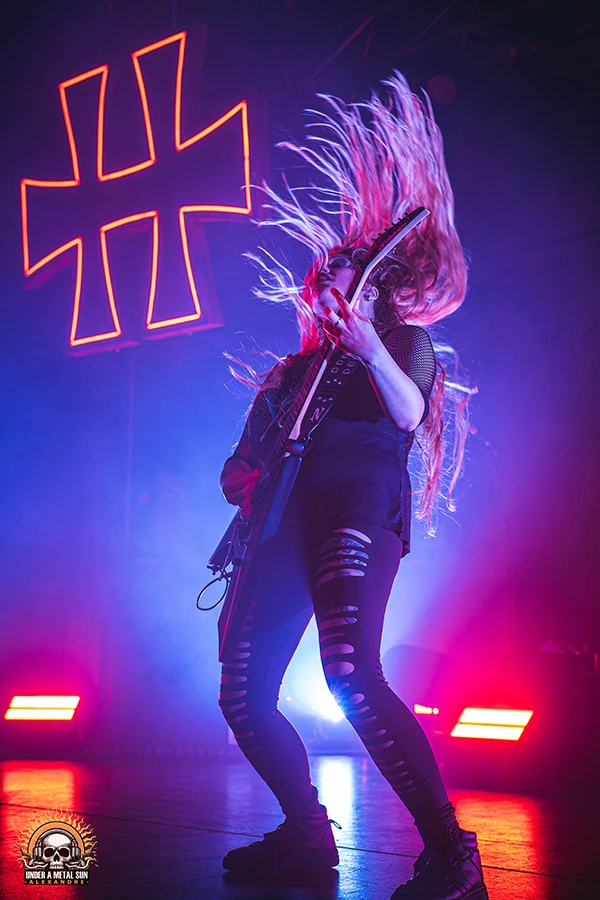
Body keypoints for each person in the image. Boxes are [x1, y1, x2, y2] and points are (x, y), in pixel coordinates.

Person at [216, 73, 486, 900]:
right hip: (281, 523)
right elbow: (236, 469)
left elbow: (407, 416)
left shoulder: (402, 344)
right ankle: (306, 834)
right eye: (323, 282)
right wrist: (241, 475)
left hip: (357, 502)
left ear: (367, 290)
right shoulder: (286, 377)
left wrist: (369, 344)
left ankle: (450, 850)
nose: (329, 289)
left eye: (346, 279)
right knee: (240, 689)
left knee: (348, 669)